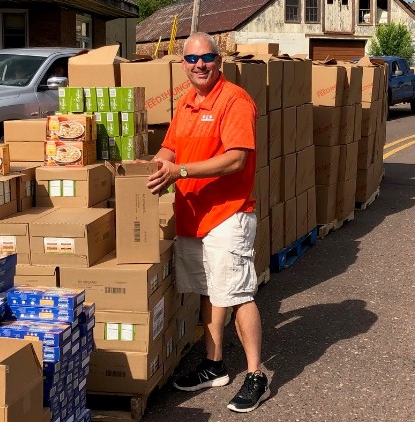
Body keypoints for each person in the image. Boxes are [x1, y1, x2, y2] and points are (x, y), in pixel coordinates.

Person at [147, 32, 269, 413]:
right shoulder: (186, 102)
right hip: (194, 216)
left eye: (207, 57)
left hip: (229, 213)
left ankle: (255, 375)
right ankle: (214, 365)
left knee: (236, 293)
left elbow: (236, 159)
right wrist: (142, 170)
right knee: (208, 291)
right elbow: (169, 149)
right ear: (182, 64)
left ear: (220, 61)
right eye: (192, 59)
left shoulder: (235, 100)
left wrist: (179, 170)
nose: (199, 64)